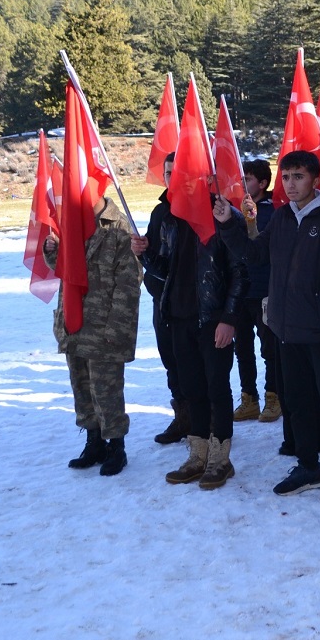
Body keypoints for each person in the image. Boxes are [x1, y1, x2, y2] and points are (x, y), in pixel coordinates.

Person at [216, 152, 320, 503]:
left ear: (315, 180)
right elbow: (253, 254)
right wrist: (228, 224)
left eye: (299, 177)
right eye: (287, 177)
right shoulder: (280, 217)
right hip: (286, 330)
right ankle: (308, 465)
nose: (291, 184)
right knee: (297, 403)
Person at [149, 174, 247, 489]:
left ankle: (220, 459)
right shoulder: (171, 219)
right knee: (192, 389)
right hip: (179, 318)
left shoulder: (224, 217)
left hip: (213, 319)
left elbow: (240, 272)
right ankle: (198, 455)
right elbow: (164, 268)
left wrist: (229, 318)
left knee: (217, 389)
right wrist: (144, 254)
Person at [44, 181, 144, 478]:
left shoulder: (118, 227)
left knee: (107, 389)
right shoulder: (72, 224)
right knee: (82, 386)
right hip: (75, 322)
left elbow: (129, 284)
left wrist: (117, 328)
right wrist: (53, 250)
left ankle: (116, 445)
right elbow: (66, 269)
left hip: (105, 325)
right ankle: (94, 441)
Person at [141, 159, 187, 446]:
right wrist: (141, 251)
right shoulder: (160, 212)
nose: (171, 178)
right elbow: (156, 258)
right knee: (171, 361)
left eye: (177, 172)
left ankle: (206, 423)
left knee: (193, 364)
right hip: (162, 300)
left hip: (190, 304)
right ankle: (183, 417)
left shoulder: (200, 212)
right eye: (167, 173)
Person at [231, 160, 276, 423]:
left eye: (248, 179)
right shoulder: (235, 210)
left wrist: (252, 218)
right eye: (241, 179)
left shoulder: (271, 211)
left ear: (262, 183)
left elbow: (258, 244)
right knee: (243, 348)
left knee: (269, 347)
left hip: (264, 290)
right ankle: (249, 397)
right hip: (241, 290)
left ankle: (274, 395)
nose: (243, 184)